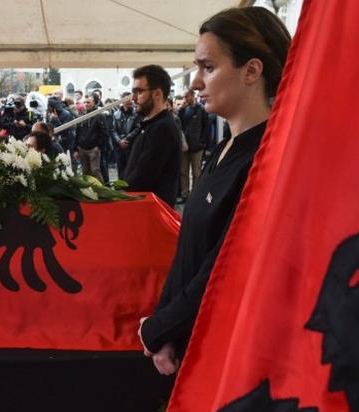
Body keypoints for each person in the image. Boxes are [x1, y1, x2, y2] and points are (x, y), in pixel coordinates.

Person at [138, 6, 291, 375]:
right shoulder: (223, 148)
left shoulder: (266, 158)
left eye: (208, 67)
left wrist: (160, 329)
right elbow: (190, 250)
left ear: (251, 71)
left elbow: (225, 266)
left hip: (230, 353)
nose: (194, 82)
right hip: (193, 342)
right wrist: (165, 326)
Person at [122, 65, 182, 207]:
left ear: (157, 94)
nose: (134, 98)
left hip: (152, 213)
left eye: (139, 91)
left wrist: (119, 193)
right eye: (133, 92)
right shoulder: (153, 123)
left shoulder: (162, 128)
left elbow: (143, 177)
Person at [178, 89, 210, 203]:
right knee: (183, 171)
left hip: (197, 146)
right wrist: (181, 110)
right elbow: (179, 125)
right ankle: (185, 195)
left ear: (192, 95)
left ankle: (195, 195)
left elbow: (206, 127)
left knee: (196, 172)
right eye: (184, 97)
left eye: (187, 96)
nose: (185, 99)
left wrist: (202, 143)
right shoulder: (183, 110)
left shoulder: (201, 109)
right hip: (185, 146)